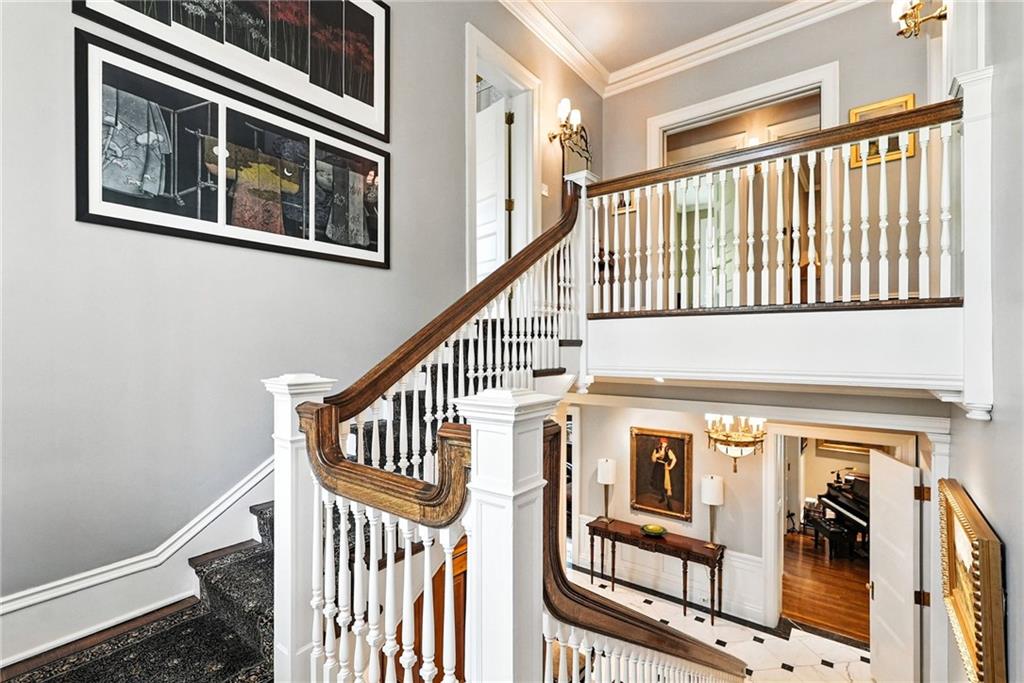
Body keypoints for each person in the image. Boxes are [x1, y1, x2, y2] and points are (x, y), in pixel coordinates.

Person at [649, 437, 678, 505]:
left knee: (665, 483)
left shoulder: (668, 450)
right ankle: (662, 497)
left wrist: (670, 467)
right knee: (659, 483)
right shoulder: (656, 449)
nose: (663, 444)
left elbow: (674, 459)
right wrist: (657, 455)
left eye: (665, 443)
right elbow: (653, 459)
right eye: (662, 442)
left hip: (664, 468)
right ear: (660, 442)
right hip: (657, 467)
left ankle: (668, 500)